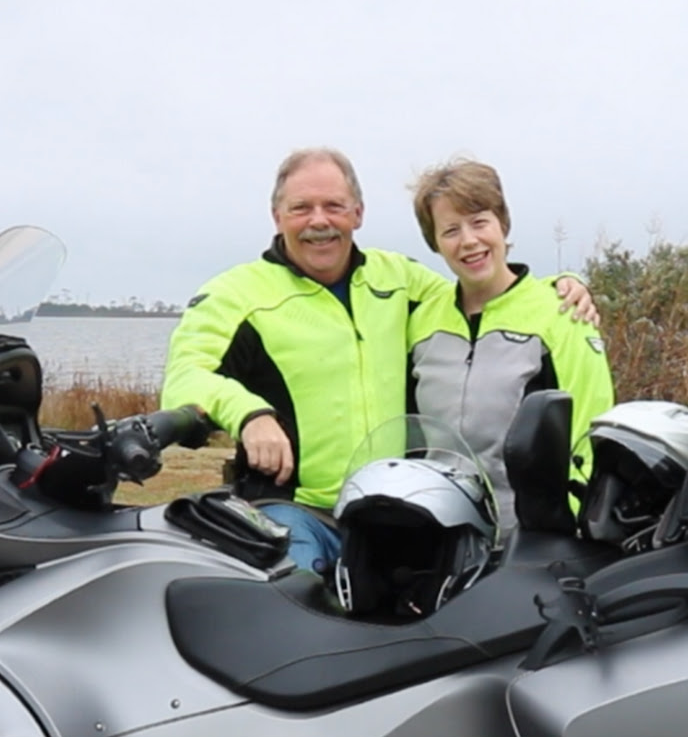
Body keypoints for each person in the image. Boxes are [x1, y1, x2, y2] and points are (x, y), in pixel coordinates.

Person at [160, 147, 599, 571]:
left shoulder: (400, 280)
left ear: (358, 213)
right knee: (294, 602)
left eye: (334, 206)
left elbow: (484, 295)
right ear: (277, 216)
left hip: (396, 513)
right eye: (301, 208)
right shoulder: (235, 295)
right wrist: (250, 414)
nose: (319, 221)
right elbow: (183, 376)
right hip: (296, 509)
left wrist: (560, 288)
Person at [407, 157, 615, 532]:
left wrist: (572, 527)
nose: (468, 241)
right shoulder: (420, 322)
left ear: (502, 224)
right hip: (440, 537)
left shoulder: (562, 314)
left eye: (479, 222)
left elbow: (591, 431)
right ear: (434, 243)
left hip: (533, 538)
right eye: (450, 230)